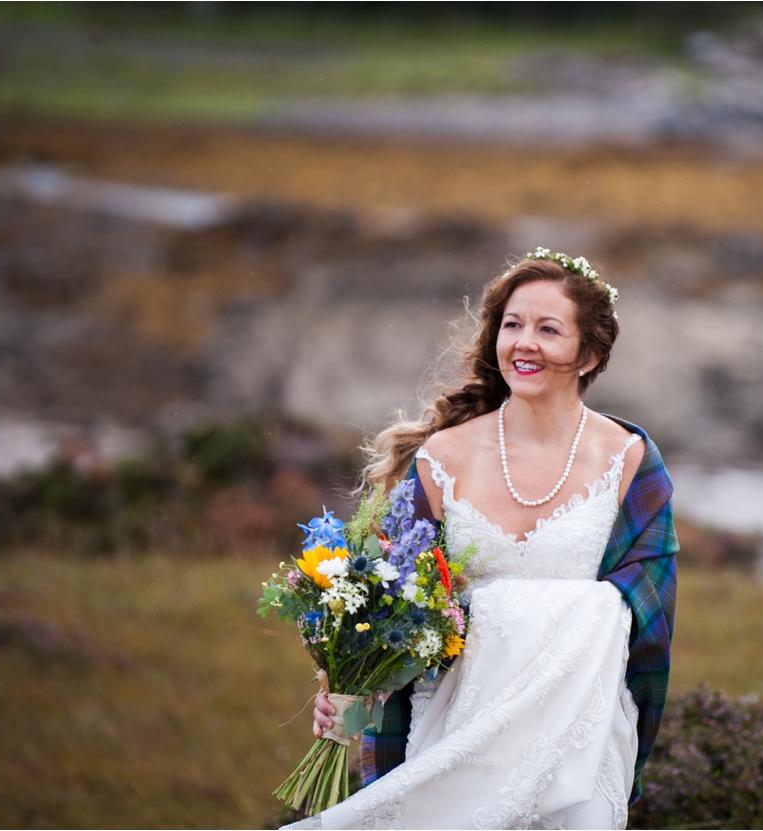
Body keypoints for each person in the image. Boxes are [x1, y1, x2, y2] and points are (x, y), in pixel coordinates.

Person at [286, 249, 678, 829]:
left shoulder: (628, 459)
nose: (525, 342)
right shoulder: (443, 457)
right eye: (513, 325)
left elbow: (649, 611)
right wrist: (347, 695)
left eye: (549, 329)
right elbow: (386, 605)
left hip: (579, 738)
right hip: (452, 728)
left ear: (588, 353)